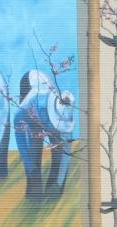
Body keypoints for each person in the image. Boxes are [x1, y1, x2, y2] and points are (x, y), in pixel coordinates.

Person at [13, 69, 76, 200]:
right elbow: (18, 129)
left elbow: (66, 153)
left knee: (59, 155)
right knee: (33, 151)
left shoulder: (66, 113)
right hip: (29, 87)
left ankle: (54, 191)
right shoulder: (31, 105)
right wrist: (29, 165)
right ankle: (33, 193)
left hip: (42, 109)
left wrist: (59, 183)